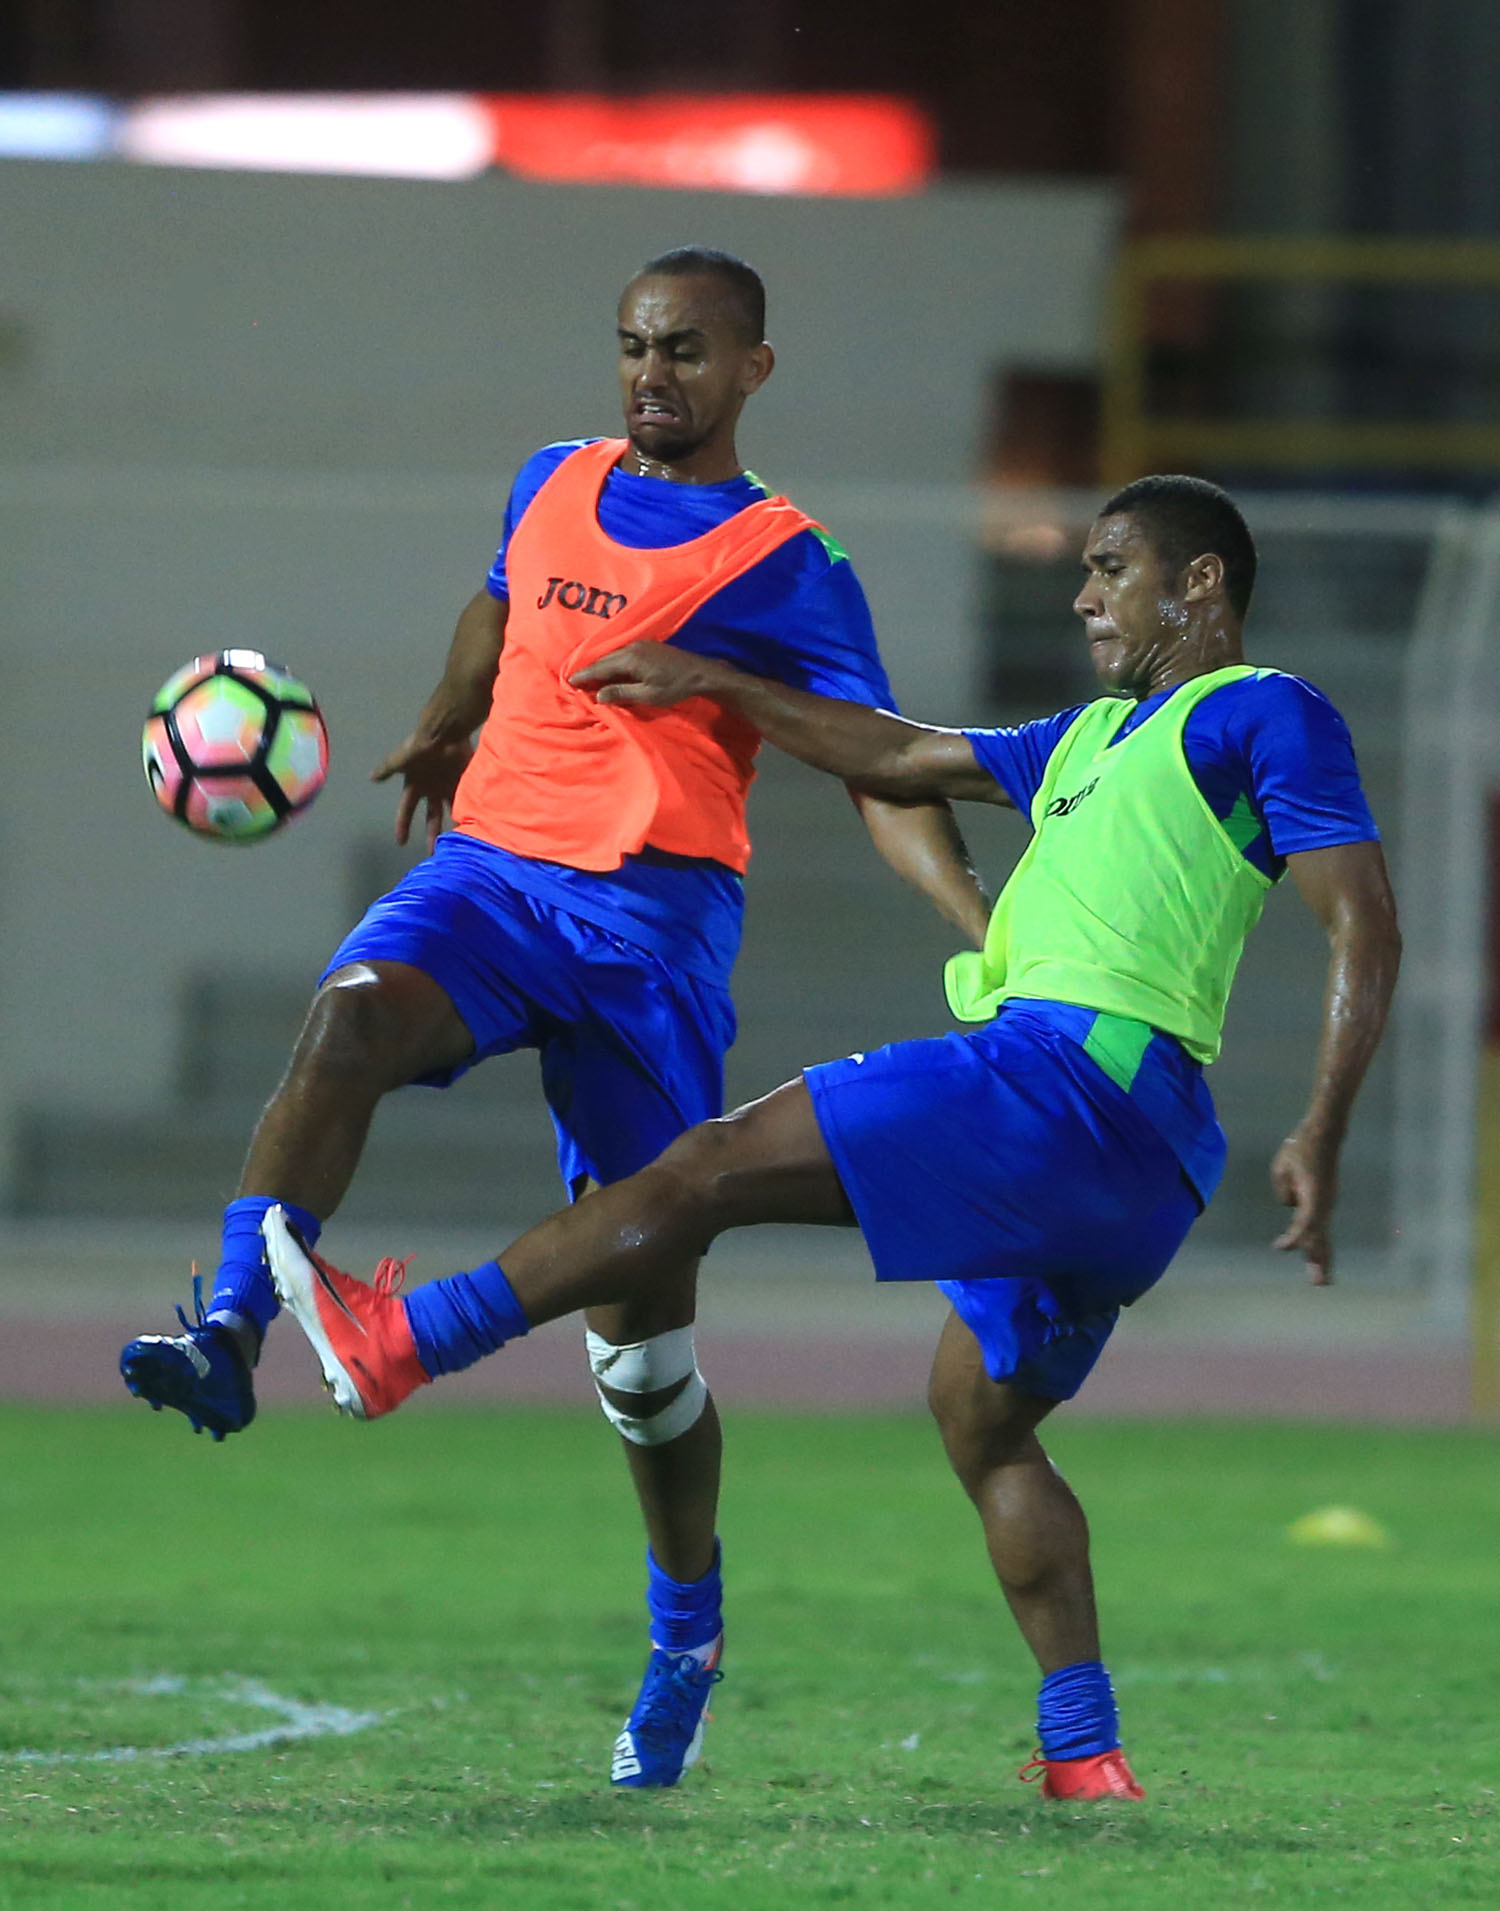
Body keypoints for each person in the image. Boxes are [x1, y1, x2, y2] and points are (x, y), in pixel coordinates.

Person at [259, 475, 1401, 1802]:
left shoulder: (1264, 711)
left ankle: (409, 1340)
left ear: (1200, 584)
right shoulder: (1089, 738)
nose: (1084, 596)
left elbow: (1363, 922)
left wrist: (1323, 1125)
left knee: (699, 1170)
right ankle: (1086, 1753)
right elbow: (897, 757)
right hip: (1139, 1161)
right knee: (983, 1425)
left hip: (1064, 1083)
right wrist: (718, 681)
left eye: (1112, 568)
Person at [119, 246, 990, 1789]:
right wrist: (449, 718)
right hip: (492, 878)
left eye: (688, 351)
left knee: (641, 1362)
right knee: (345, 1024)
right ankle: (233, 1331)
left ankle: (686, 1628)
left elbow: (879, 762)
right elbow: (498, 599)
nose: (654, 374)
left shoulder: (789, 561)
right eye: (635, 346)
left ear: (754, 370)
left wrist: (980, 918)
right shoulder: (552, 479)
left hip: (654, 933)